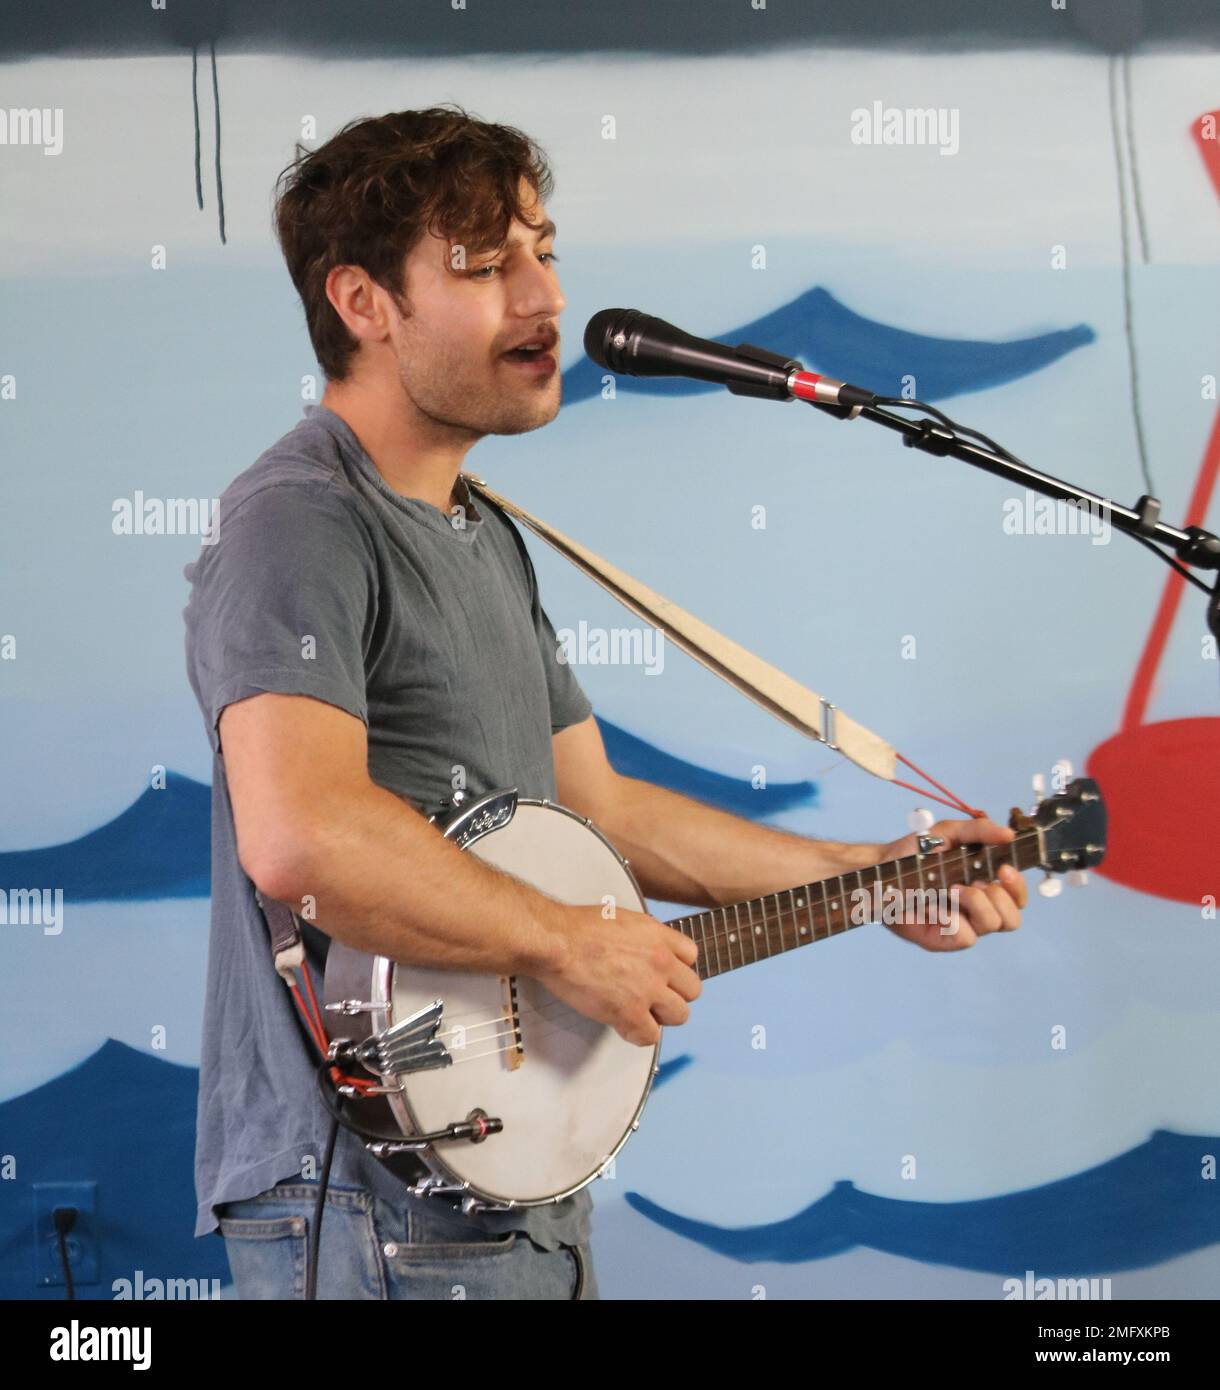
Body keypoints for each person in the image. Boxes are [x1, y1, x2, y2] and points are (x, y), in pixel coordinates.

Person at [182, 104, 1028, 1301]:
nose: (541, 297)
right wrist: (567, 940)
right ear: (363, 303)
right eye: (483, 264)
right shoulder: (300, 521)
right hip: (358, 1206)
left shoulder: (484, 534)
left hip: (502, 1193)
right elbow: (299, 835)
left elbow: (603, 812)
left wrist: (878, 870)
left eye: (543, 247)